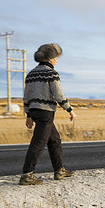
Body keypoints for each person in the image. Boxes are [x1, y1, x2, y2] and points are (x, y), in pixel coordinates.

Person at [19, 43, 77, 185]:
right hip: (46, 112)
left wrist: (28, 115)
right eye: (56, 58)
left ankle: (59, 170)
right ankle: (27, 175)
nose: (56, 60)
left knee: (54, 140)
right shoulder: (51, 73)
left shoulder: (31, 74)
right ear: (50, 58)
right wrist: (70, 110)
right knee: (38, 143)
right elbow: (58, 94)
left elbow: (26, 96)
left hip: (35, 111)